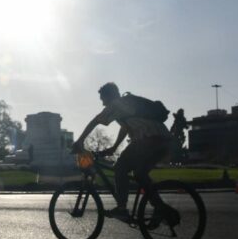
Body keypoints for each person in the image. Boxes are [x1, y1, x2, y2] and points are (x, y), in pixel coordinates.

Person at [72, 82, 174, 222]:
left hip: (148, 139)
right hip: (164, 140)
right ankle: (160, 209)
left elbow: (96, 120)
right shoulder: (127, 104)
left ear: (110, 95)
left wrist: (80, 141)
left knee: (120, 168)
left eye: (103, 99)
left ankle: (121, 209)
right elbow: (125, 128)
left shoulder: (117, 104)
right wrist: (114, 147)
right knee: (140, 173)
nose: (103, 104)